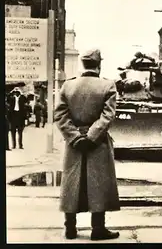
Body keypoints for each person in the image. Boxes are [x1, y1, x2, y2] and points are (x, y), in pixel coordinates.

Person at [54, 48, 120, 240]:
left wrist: (75, 137)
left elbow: (60, 115)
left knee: (71, 183)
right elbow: (108, 116)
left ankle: (70, 228)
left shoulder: (68, 86)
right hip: (97, 142)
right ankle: (98, 229)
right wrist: (91, 137)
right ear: (99, 65)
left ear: (83, 64)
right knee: (98, 182)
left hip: (73, 143)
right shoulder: (108, 86)